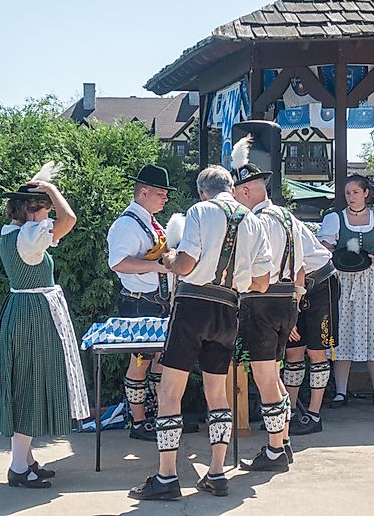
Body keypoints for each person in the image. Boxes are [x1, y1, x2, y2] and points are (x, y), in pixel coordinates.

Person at [129, 165, 272, 501]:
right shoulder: (253, 220)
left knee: (169, 393)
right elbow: (262, 283)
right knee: (217, 393)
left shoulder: (200, 211)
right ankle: (217, 473)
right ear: (232, 187)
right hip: (228, 309)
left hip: (194, 305)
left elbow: (186, 265)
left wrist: (169, 258)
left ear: (201, 191)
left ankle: (166, 477)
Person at [0, 163, 90, 488]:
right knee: (30, 383)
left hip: (22, 308)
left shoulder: (11, 233)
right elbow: (70, 220)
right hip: (33, 314)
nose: (49, 215)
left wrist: (45, 194)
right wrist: (52, 191)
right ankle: (17, 468)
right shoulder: (30, 236)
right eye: (44, 209)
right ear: (32, 210)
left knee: (26, 379)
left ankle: (26, 460)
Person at [232, 158, 304, 472]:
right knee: (274, 376)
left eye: (235, 192)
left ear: (246, 191)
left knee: (265, 379)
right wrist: (296, 310)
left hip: (261, 300)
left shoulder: (254, 221)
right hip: (288, 300)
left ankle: (274, 451)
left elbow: (251, 269)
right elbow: (301, 269)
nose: (233, 198)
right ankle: (283, 442)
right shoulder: (288, 217)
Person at [106, 164, 174, 441]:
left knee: (159, 360)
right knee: (140, 362)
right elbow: (119, 263)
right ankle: (139, 421)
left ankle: (158, 416)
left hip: (156, 302)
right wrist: (158, 265)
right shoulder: (126, 224)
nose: (165, 198)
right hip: (139, 303)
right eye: (161, 193)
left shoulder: (148, 221)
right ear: (143, 192)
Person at [318, 175, 374, 408]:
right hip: (344, 279)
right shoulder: (335, 219)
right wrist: (337, 254)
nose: (350, 197)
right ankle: (341, 391)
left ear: (365, 193)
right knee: (343, 332)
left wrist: (372, 259)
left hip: (371, 280)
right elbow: (325, 247)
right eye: (347, 193)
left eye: (355, 192)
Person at [283, 220, 337, 435]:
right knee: (293, 350)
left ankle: (313, 415)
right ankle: (291, 410)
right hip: (296, 287)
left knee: (316, 351)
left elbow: (299, 271)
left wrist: (291, 315)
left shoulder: (272, 224)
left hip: (321, 282)